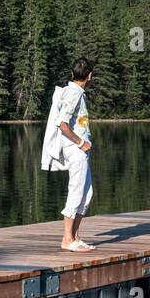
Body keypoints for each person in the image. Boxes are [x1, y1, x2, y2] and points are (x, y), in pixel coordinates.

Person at [41, 59, 95, 251]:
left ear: (73, 74)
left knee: (87, 193)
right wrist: (81, 142)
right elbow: (62, 123)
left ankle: (75, 236)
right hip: (76, 150)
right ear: (89, 76)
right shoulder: (73, 93)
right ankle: (67, 240)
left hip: (79, 150)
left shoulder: (75, 92)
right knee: (77, 191)